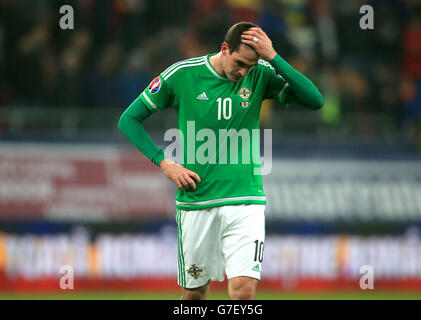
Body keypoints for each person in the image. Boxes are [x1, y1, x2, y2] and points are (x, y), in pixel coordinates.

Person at [118, 21, 323, 300]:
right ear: (225, 49)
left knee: (244, 293)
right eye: (240, 63)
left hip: (245, 201)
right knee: (195, 294)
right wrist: (164, 163)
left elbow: (315, 100)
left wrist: (274, 58)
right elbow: (129, 120)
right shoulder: (183, 74)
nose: (243, 72)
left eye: (250, 66)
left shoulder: (260, 74)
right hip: (197, 202)